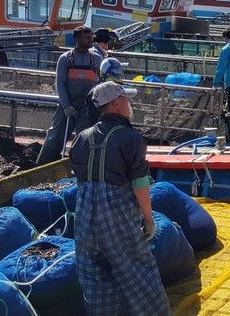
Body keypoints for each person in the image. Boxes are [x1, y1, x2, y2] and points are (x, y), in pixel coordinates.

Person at [69, 81, 170, 315]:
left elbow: (81, 179)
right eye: (126, 99)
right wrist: (148, 218)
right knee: (138, 271)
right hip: (116, 216)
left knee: (94, 279)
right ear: (115, 103)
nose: (129, 103)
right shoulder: (130, 138)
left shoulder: (81, 139)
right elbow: (140, 183)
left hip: (84, 216)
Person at [37, 26, 103, 164]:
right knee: (56, 136)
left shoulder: (96, 59)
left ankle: (82, 166)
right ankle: (42, 164)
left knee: (85, 138)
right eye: (86, 37)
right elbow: (60, 83)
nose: (90, 40)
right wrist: (66, 106)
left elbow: (101, 82)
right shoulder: (65, 59)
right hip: (68, 104)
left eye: (91, 37)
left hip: (87, 106)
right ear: (77, 39)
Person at [85, 57, 128, 126]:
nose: (120, 73)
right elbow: (94, 118)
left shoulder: (116, 89)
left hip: (114, 127)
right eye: (117, 70)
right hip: (101, 129)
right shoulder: (96, 92)